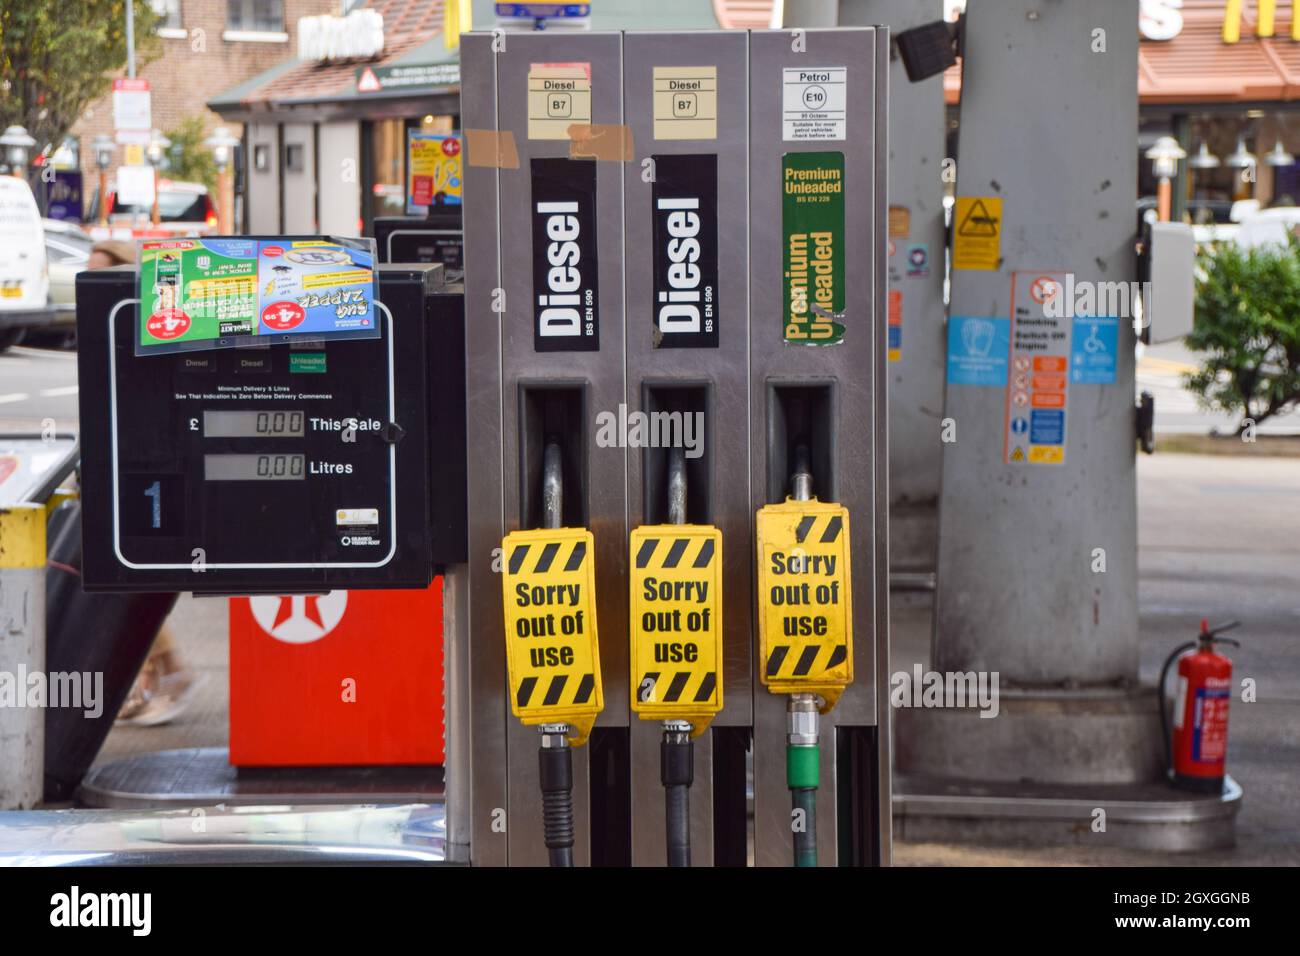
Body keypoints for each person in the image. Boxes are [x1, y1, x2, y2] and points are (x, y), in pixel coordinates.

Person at [83, 240, 205, 725]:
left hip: (149, 481)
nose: (88, 285)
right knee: (134, 584)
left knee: (135, 582)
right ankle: (158, 678)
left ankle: (160, 677)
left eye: (100, 275)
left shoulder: (141, 330)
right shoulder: (109, 331)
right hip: (129, 478)